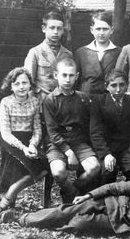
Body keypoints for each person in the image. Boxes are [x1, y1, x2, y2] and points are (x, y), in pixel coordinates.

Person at [0, 68, 48, 220]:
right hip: (10, 141)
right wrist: (23, 148)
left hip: (29, 141)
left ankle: (5, 196)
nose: (21, 87)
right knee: (14, 164)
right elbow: (5, 132)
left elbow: (37, 130)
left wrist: (33, 145)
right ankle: (6, 203)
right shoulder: (6, 102)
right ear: (11, 86)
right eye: (17, 83)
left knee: (44, 169)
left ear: (30, 85)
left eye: (24, 83)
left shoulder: (35, 101)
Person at [43, 58, 100, 203]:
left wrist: (80, 148)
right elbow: (52, 132)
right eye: (64, 75)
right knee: (58, 172)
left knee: (94, 167)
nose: (67, 79)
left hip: (78, 142)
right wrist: (69, 153)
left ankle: (72, 190)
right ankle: (73, 194)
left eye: (71, 75)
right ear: (56, 75)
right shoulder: (49, 100)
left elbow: (86, 126)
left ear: (77, 76)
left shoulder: (82, 98)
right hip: (57, 144)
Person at [90, 70, 130, 184]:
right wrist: (106, 154)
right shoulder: (98, 102)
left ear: (127, 85)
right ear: (106, 86)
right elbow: (95, 132)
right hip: (107, 148)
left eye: (122, 85)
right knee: (107, 172)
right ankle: (107, 201)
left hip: (125, 149)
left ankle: (128, 199)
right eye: (114, 85)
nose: (118, 89)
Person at [24, 11, 73, 101]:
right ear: (44, 29)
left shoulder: (68, 54)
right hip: (41, 100)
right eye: (52, 28)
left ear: (63, 30)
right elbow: (28, 81)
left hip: (62, 101)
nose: (55, 32)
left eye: (59, 28)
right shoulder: (35, 52)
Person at [75, 11, 121, 95]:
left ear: (112, 30)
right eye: (98, 29)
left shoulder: (119, 52)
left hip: (109, 98)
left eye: (105, 29)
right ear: (91, 30)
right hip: (87, 98)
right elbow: (76, 80)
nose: (101, 33)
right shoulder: (81, 52)